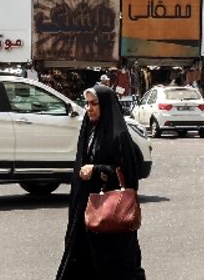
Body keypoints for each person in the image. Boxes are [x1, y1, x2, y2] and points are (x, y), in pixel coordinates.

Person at [56, 85, 146, 280]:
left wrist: (97, 169)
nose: (89, 108)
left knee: (116, 265)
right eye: (87, 104)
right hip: (88, 209)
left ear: (105, 105)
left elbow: (129, 176)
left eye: (94, 104)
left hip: (112, 214)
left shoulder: (119, 136)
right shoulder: (88, 130)